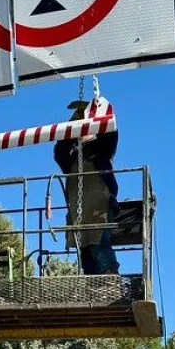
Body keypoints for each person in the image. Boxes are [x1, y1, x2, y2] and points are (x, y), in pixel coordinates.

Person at [52, 99, 120, 275]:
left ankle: (109, 278)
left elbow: (111, 134)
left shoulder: (101, 151)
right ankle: (93, 286)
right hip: (78, 208)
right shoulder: (71, 156)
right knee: (83, 249)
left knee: (98, 243)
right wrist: (73, 123)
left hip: (100, 205)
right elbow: (59, 151)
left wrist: (97, 112)